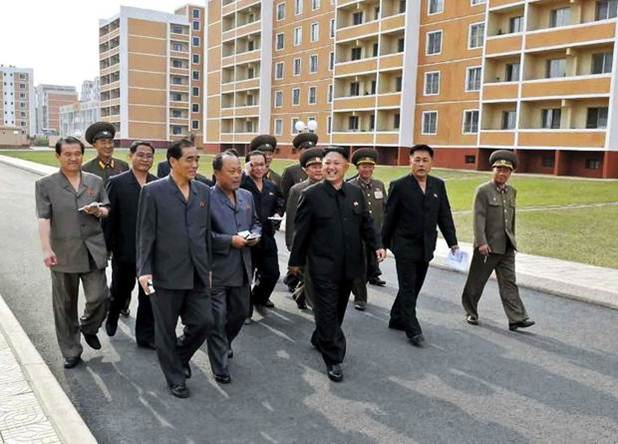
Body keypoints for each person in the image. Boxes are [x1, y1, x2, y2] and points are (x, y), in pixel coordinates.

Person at [289, 146, 385, 382]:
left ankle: (320, 336)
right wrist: (296, 262)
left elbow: (366, 223)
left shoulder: (354, 194)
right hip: (321, 266)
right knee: (327, 310)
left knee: (338, 310)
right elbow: (301, 231)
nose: (330, 167)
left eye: (335, 163)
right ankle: (334, 359)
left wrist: (377, 245)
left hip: (349, 265)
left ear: (345, 167)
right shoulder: (311, 195)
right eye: (326, 163)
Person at [136, 139, 214, 399]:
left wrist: (209, 267)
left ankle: (178, 356)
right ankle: (175, 377)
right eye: (189, 159)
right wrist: (143, 270)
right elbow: (145, 235)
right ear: (173, 161)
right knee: (165, 330)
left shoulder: (204, 191)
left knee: (204, 322)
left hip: (197, 273)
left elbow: (205, 234)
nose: (194, 164)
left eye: (196, 159)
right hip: (165, 274)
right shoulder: (153, 191)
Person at [35, 137, 110, 369]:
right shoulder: (45, 185)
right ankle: (71, 350)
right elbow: (44, 218)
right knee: (65, 305)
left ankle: (88, 326)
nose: (73, 158)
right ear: (57, 156)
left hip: (92, 250)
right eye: (67, 154)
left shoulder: (95, 181)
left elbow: (107, 209)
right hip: (63, 252)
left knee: (100, 297)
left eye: (77, 153)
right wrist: (46, 249)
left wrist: (99, 211)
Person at [382, 144, 458, 347]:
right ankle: (412, 328)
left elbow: (444, 215)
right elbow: (389, 218)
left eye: (425, 160)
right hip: (404, 245)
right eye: (417, 160)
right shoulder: (399, 185)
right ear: (410, 161)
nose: (421, 164)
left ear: (431, 163)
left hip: (426, 246)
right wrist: (382, 244)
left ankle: (396, 317)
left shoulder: (438, 185)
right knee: (408, 286)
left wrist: (453, 243)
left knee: (415, 285)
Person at [461, 150, 535, 331]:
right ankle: (471, 311)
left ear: (511, 173)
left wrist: (513, 240)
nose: (502, 173)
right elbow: (478, 218)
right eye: (499, 169)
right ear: (492, 170)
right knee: (477, 281)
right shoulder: (483, 191)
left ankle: (516, 318)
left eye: (506, 170)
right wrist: (481, 242)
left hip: (507, 247)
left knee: (509, 282)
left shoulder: (512, 192)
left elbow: (511, 218)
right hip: (487, 246)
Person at [208, 151, 261, 383]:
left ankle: (225, 342)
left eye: (239, 170)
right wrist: (229, 241)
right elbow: (202, 235)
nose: (237, 175)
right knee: (217, 318)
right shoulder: (205, 197)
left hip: (242, 267)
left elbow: (256, 222)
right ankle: (219, 365)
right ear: (217, 173)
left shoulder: (247, 196)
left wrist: (256, 235)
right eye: (231, 171)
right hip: (217, 269)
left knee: (239, 313)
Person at [104, 141, 157, 349]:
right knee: (120, 290)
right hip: (124, 251)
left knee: (149, 294)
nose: (145, 159)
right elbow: (109, 219)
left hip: (150, 255)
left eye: (149, 156)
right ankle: (112, 315)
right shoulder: (117, 183)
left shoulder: (157, 183)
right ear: (130, 156)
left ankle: (145, 337)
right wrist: (108, 248)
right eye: (141, 155)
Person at [241, 150, 284, 314]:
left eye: (262, 164)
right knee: (247, 276)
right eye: (254, 164)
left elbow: (280, 201)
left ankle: (258, 298)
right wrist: (244, 175)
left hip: (266, 236)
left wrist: (278, 214)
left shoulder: (270, 186)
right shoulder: (242, 184)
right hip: (247, 238)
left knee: (272, 273)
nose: (258, 168)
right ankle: (245, 310)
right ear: (247, 165)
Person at [347, 148, 387, 311]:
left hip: (375, 234)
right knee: (360, 267)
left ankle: (356, 285)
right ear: (357, 168)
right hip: (357, 235)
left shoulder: (378, 185)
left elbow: (386, 207)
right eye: (363, 166)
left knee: (372, 267)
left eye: (370, 166)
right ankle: (360, 297)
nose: (367, 169)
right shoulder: (350, 186)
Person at [285, 147, 324, 308]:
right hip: (305, 242)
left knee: (317, 275)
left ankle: (300, 296)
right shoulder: (298, 190)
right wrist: (292, 245)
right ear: (305, 169)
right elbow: (292, 219)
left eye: (320, 166)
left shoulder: (330, 187)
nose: (318, 170)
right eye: (313, 167)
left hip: (323, 242)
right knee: (311, 275)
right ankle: (314, 305)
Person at [280, 132, 318, 201]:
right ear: (298, 150)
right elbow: (284, 196)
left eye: (312, 148)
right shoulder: (291, 171)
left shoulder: (321, 170)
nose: (309, 151)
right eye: (306, 148)